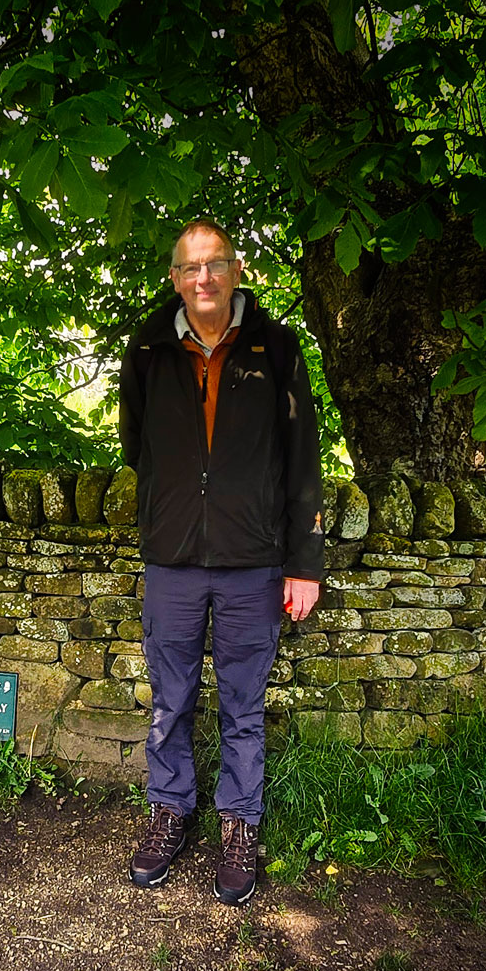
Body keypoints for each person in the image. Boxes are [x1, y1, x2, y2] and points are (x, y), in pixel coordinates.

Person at [117, 220, 324, 905]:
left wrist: (305, 564)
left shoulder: (277, 346)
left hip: (254, 561)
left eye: (215, 265)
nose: (202, 279)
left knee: (242, 704)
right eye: (188, 268)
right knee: (169, 701)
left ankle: (239, 825)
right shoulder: (148, 348)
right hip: (172, 559)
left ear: (236, 272)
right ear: (174, 279)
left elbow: (302, 462)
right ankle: (170, 812)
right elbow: (136, 444)